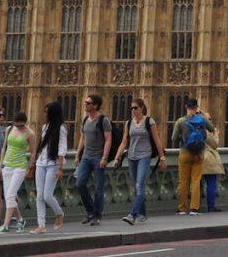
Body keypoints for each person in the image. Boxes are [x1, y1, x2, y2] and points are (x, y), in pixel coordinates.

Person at [113, 98, 166, 226]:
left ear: (142, 108)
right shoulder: (128, 123)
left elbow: (157, 140)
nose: (133, 110)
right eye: (131, 108)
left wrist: (162, 158)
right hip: (131, 157)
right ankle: (142, 214)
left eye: (135, 108)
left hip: (144, 156)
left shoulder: (149, 121)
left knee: (139, 185)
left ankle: (133, 214)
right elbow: (124, 142)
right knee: (136, 186)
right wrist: (117, 157)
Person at [74, 93, 113, 226]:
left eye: (88, 103)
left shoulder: (103, 120)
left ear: (95, 105)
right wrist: (78, 154)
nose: (85, 104)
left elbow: (108, 139)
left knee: (98, 188)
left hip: (98, 158)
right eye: (85, 102)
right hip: (86, 157)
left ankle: (97, 215)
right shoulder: (85, 120)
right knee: (79, 183)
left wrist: (104, 157)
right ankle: (90, 211)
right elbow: (83, 138)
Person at [172, 97, 213, 215]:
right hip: (199, 153)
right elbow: (211, 128)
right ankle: (194, 208)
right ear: (196, 108)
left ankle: (182, 208)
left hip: (185, 152)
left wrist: (183, 138)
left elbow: (173, 138)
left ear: (186, 107)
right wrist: (203, 115)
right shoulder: (202, 119)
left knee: (183, 181)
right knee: (196, 181)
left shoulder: (180, 121)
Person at [31, 102, 68, 234]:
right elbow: (42, 145)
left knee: (47, 195)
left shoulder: (61, 128)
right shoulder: (45, 127)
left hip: (53, 163)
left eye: (48, 112)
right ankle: (41, 225)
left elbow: (62, 147)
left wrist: (61, 168)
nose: (45, 114)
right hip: (41, 162)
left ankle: (59, 213)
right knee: (39, 196)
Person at [1, 111, 37, 231]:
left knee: (11, 195)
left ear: (25, 123)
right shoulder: (9, 129)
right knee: (8, 196)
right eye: (16, 125)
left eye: (20, 125)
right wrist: (1, 164)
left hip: (20, 166)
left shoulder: (30, 133)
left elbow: (33, 153)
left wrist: (30, 167)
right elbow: (4, 147)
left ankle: (5, 226)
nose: (18, 127)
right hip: (7, 165)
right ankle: (20, 220)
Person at [201, 115, 224, 212]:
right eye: (209, 119)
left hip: (197, 157)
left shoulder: (196, 129)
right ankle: (211, 206)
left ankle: (195, 207)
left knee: (196, 183)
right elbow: (215, 144)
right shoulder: (207, 132)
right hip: (208, 159)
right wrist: (216, 134)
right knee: (211, 183)